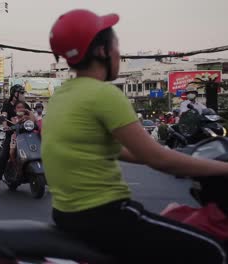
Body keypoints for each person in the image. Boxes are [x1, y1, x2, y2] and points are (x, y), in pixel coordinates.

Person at [44, 9, 227, 264]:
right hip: (106, 216)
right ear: (102, 51)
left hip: (68, 215)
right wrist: (222, 168)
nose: (120, 53)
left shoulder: (62, 96)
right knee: (214, 251)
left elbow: (115, 150)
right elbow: (157, 159)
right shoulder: (103, 95)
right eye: (117, 45)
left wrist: (180, 156)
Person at [0, 85, 30, 196]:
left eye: (23, 93)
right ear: (15, 94)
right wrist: (5, 125)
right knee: (4, 157)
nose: (23, 95)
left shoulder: (24, 105)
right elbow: (4, 116)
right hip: (12, 134)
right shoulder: (7, 105)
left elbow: (32, 116)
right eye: (21, 93)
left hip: (25, 134)